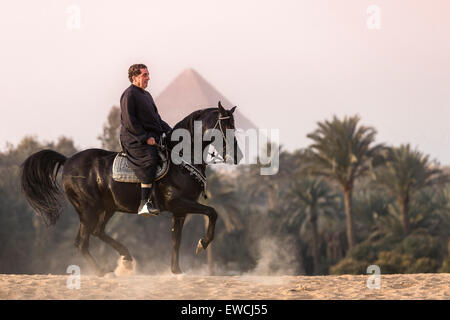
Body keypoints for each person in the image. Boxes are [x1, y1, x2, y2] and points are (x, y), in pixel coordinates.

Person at [119, 64, 172, 216]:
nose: (148, 78)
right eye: (145, 75)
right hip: (135, 139)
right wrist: (145, 138)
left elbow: (157, 119)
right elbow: (130, 122)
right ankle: (144, 204)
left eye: (148, 74)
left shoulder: (146, 95)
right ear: (134, 78)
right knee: (150, 158)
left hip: (151, 136)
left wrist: (171, 131)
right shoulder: (129, 95)